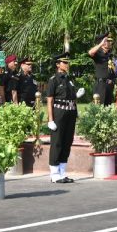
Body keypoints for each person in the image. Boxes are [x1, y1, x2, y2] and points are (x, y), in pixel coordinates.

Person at [46, 52, 85, 184]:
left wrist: (77, 100)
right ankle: (54, 173)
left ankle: (62, 172)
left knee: (67, 142)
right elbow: (50, 100)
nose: (67, 65)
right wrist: (50, 119)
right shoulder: (53, 80)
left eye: (68, 62)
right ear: (58, 64)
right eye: (65, 62)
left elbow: (72, 98)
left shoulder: (69, 80)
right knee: (57, 143)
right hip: (59, 113)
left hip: (70, 113)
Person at [88, 33, 117, 106]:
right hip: (101, 85)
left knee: (108, 108)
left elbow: (113, 70)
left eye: (110, 41)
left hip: (109, 85)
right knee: (99, 107)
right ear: (103, 42)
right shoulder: (98, 53)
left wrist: (113, 81)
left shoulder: (110, 55)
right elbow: (90, 52)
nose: (110, 43)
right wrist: (101, 44)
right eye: (107, 41)